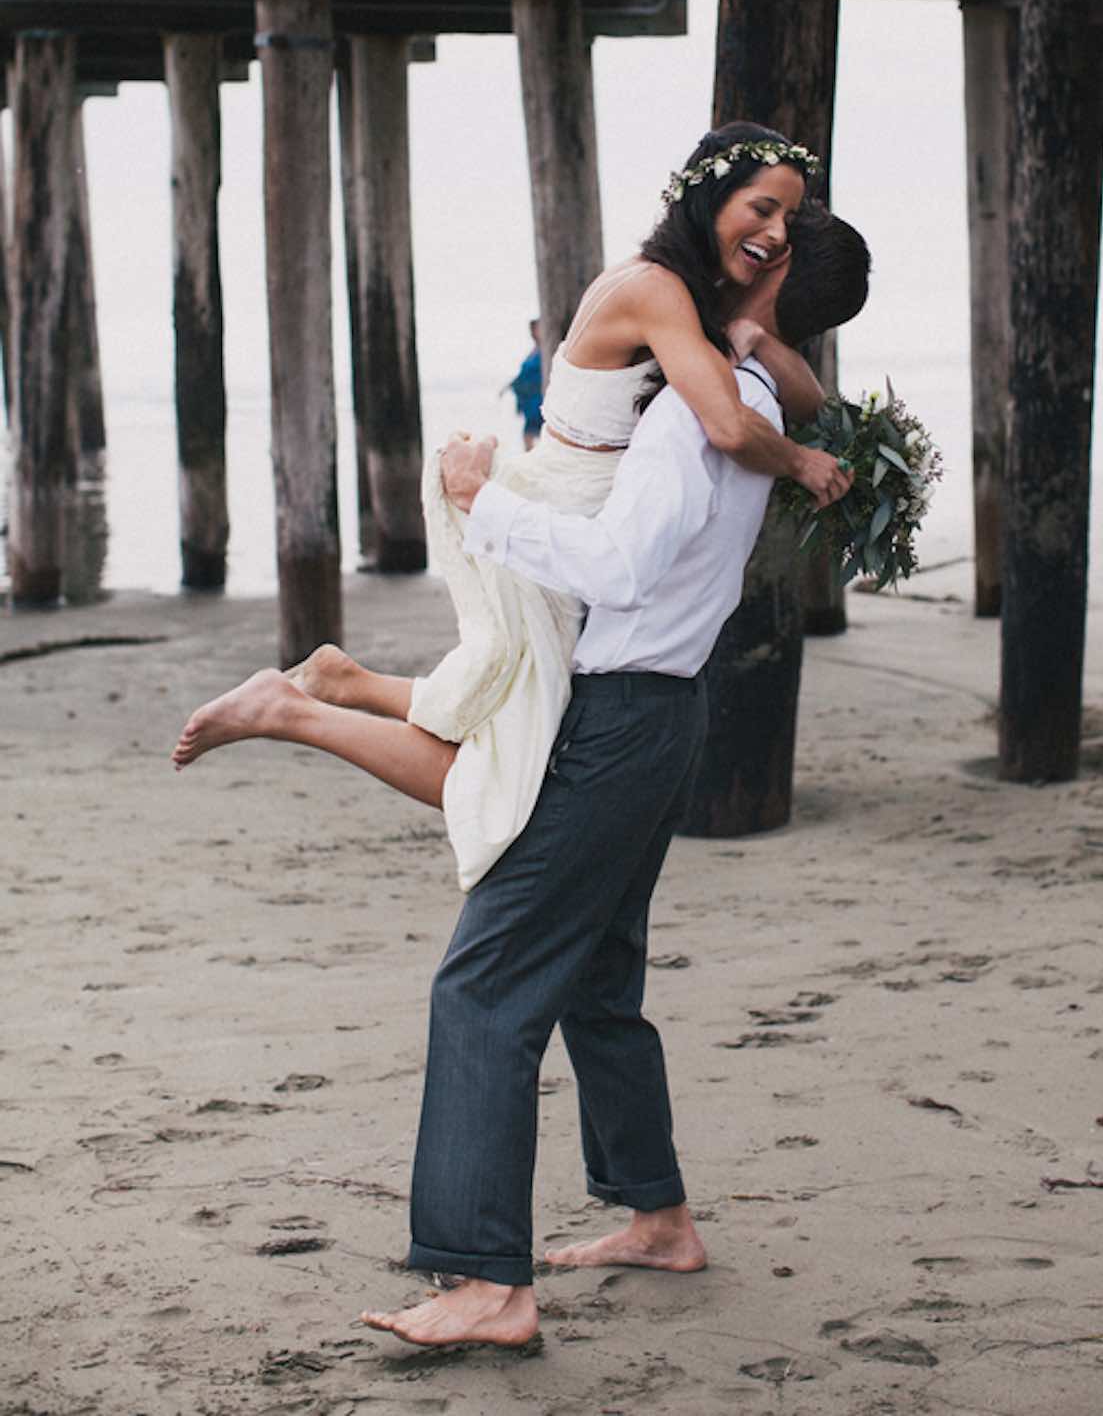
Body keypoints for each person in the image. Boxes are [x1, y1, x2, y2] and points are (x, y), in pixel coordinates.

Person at [355, 203, 871, 1351]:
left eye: (767, 246)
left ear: (770, 283)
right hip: (666, 713)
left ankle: (487, 1286)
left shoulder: (697, 426)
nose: (744, 249)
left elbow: (618, 567)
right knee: (595, 979)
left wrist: (481, 500)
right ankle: (659, 1220)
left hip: (623, 714)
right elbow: (775, 403)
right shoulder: (758, 403)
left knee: (483, 989)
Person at [174, 124, 853, 897]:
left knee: (504, 722)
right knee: (505, 774)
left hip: (560, 534)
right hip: (534, 529)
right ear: (707, 195)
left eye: (787, 224)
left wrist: (752, 335)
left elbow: (807, 397)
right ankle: (286, 710)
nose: (772, 234)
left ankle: (342, 679)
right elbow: (732, 427)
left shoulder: (701, 298)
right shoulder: (655, 289)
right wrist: (800, 461)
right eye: (761, 209)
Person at [504, 319, 543, 449]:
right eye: (531, 330)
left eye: (535, 329)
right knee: (529, 434)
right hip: (529, 399)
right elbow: (523, 373)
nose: (532, 333)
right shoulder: (534, 350)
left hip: (539, 399)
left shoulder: (545, 350)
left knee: (535, 433)